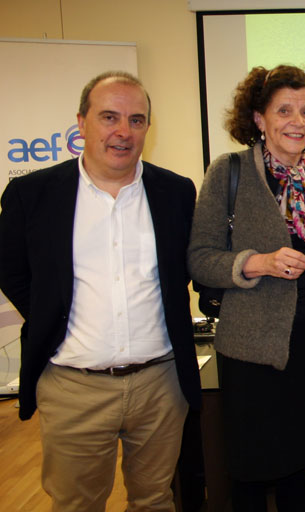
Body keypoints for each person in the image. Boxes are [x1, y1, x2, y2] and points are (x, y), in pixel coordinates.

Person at [0, 71, 201, 511]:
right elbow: (10, 268)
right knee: (77, 504)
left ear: (148, 127)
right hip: (74, 387)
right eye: (109, 117)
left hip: (159, 385)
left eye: (136, 119)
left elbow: (187, 267)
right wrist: (50, 313)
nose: (122, 132)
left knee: (155, 501)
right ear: (82, 122)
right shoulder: (32, 194)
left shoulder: (176, 192)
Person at [187, 64, 305, 511]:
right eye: (284, 110)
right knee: (252, 466)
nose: (298, 121)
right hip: (253, 349)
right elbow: (200, 257)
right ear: (259, 118)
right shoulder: (228, 172)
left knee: (300, 459)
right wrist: (257, 263)